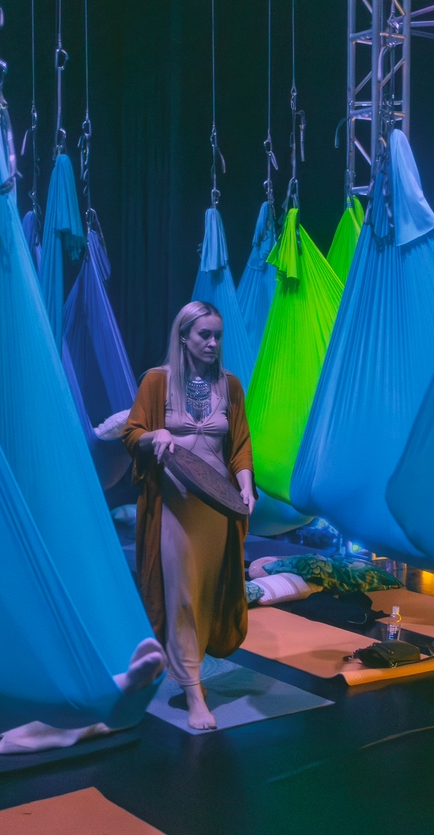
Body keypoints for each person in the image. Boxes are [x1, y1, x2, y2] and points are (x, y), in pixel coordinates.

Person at [124, 301, 256, 730]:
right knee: (180, 592)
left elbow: (239, 444)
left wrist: (246, 484)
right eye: (205, 335)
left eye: (218, 335)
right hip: (174, 508)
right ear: (184, 336)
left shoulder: (229, 386)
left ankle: (189, 668)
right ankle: (193, 690)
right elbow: (132, 433)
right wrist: (155, 434)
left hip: (216, 510)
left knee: (204, 593)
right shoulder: (157, 382)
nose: (213, 343)